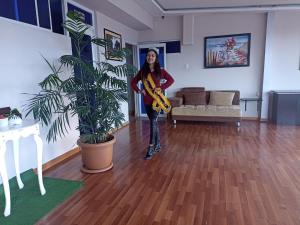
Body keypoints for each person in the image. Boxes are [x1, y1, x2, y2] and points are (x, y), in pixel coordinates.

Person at [131, 48, 174, 160]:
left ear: (156, 58)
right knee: (153, 123)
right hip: (146, 101)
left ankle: (150, 147)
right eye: (149, 55)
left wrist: (161, 87)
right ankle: (158, 145)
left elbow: (171, 80)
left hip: (156, 101)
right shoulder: (143, 72)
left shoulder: (160, 71)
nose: (150, 57)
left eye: (153, 56)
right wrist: (140, 91)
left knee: (152, 123)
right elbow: (133, 82)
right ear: (146, 57)